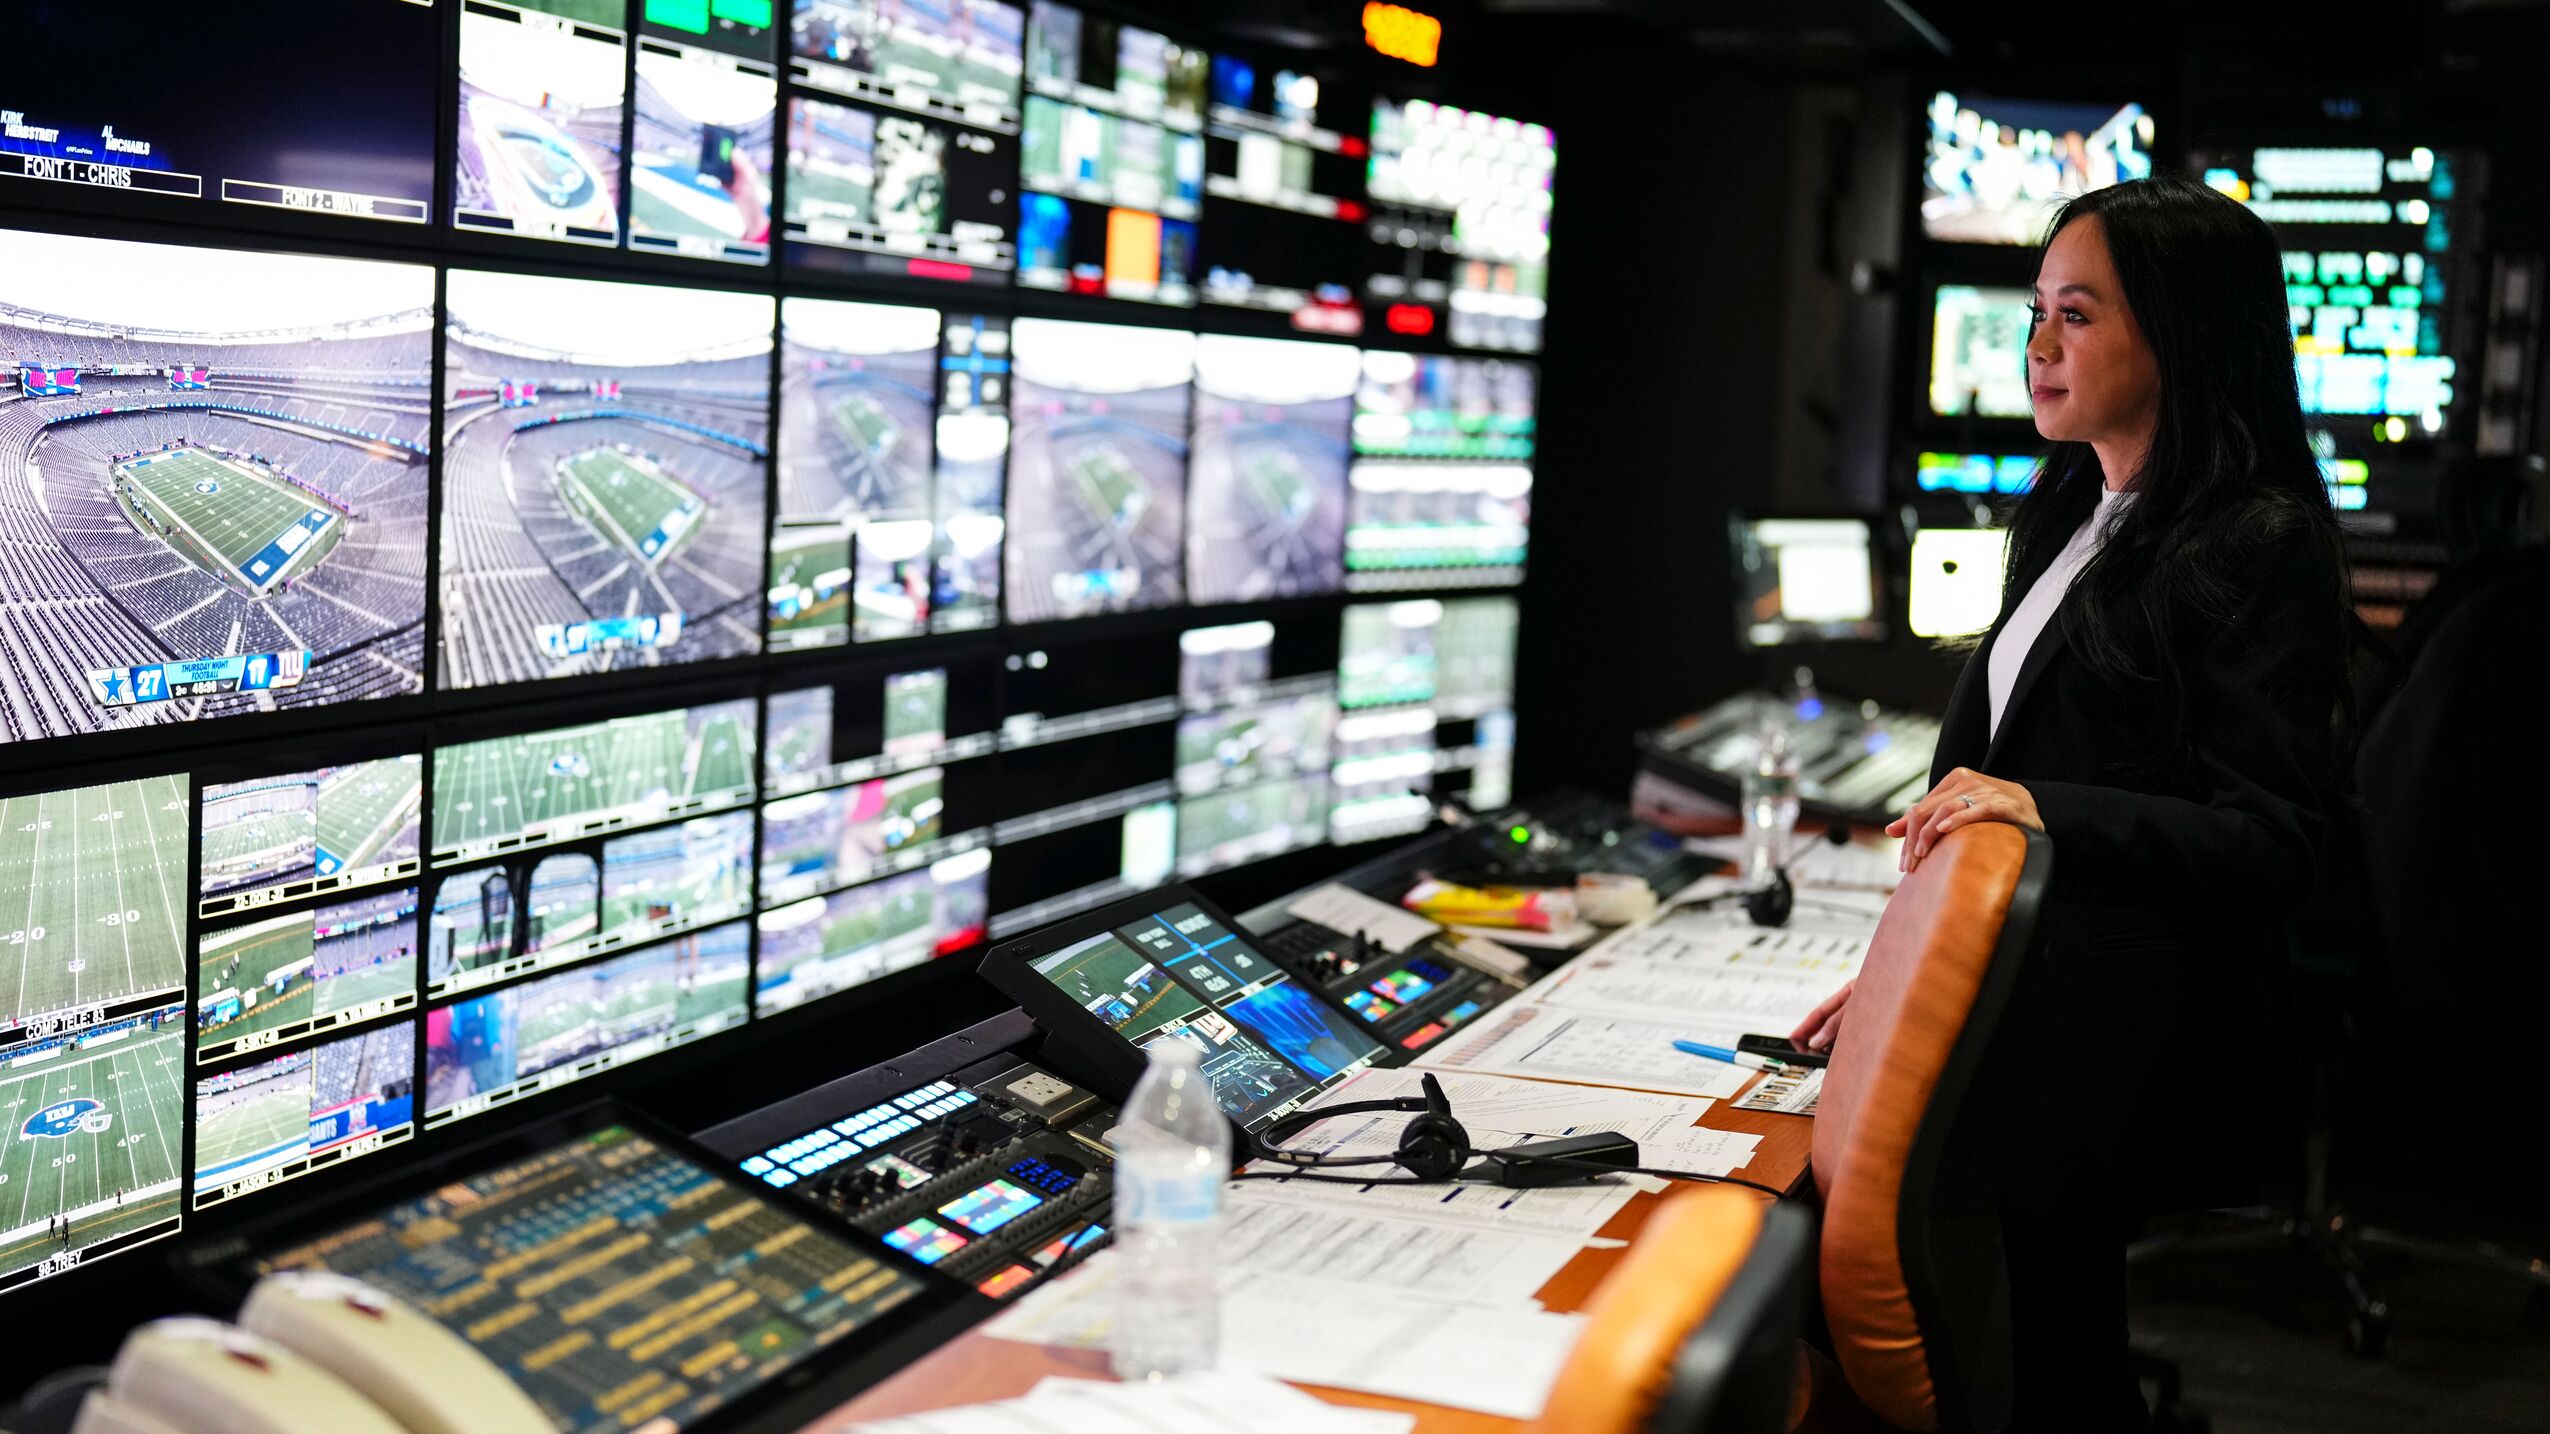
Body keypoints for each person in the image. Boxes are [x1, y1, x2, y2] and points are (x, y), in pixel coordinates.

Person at [1791, 176, 2352, 1428]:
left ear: (2182, 333)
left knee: (2031, 1355)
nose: (2038, 344)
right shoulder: (2071, 508)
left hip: (2117, 1041)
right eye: (2037, 308)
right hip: (2014, 1012)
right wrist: (1901, 977)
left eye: (2080, 315)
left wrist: (2044, 808)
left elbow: (2273, 846)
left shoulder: (2258, 541)